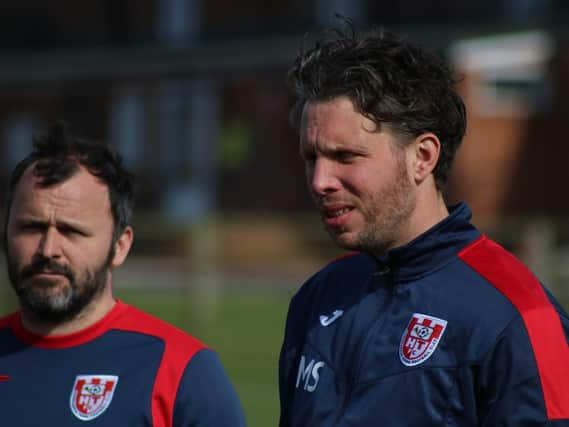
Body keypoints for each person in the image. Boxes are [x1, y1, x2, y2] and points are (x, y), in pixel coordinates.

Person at [278, 23, 569, 426]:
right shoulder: (319, 298)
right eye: (312, 157)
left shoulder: (517, 316)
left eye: (345, 156)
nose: (319, 180)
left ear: (423, 156)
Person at [0, 122, 246, 426]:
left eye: (71, 231)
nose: (48, 249)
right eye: (31, 227)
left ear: (120, 246)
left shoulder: (181, 372)